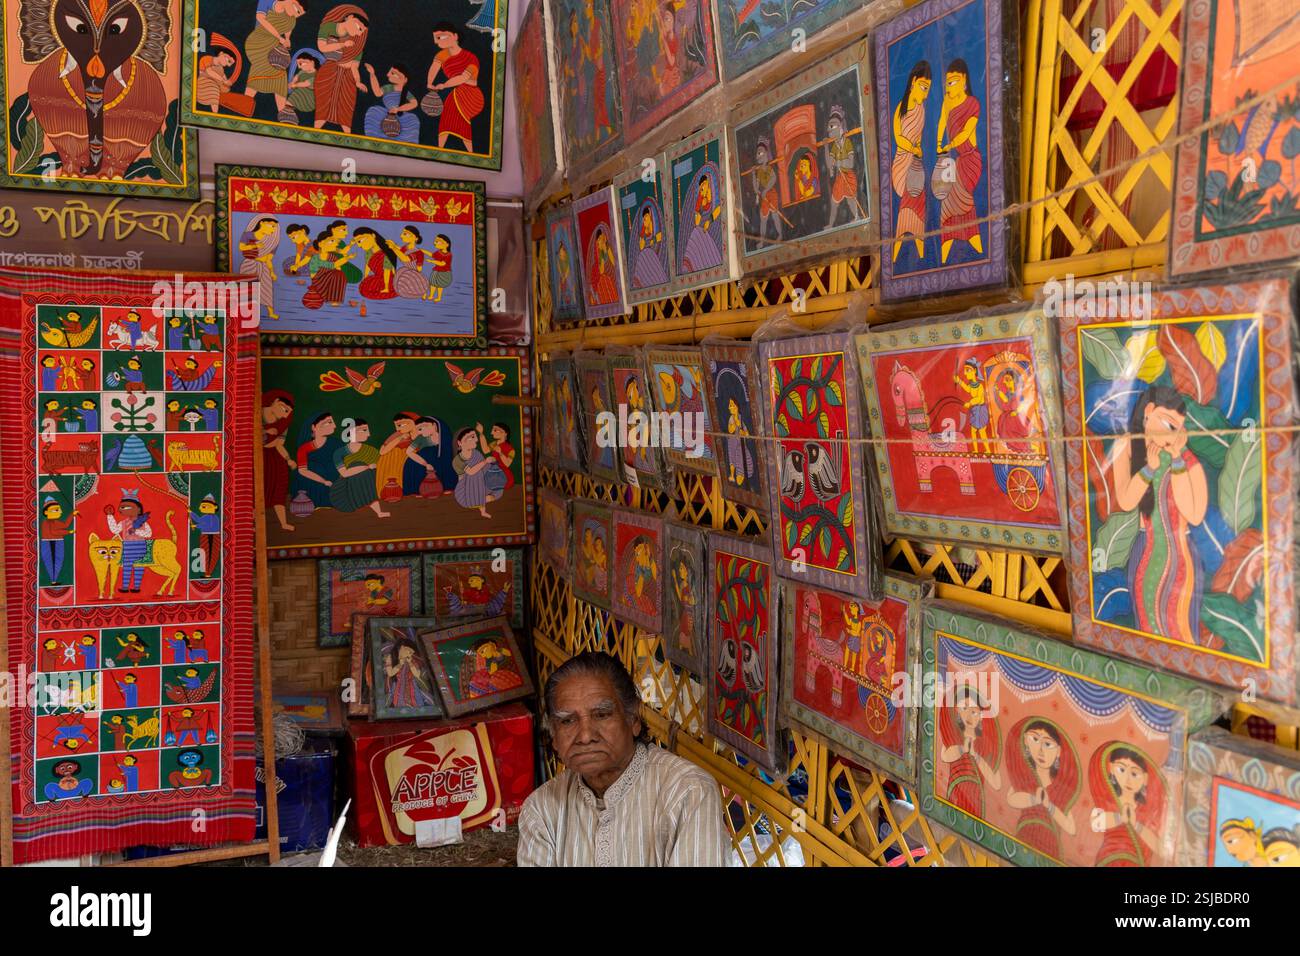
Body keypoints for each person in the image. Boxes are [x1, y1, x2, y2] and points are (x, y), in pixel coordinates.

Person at [517, 651, 728, 866]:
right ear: (554, 736)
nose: (585, 736)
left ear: (634, 718)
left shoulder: (687, 792)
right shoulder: (541, 809)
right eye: (568, 721)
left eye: (601, 715)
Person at [1113, 385, 1208, 645]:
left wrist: (1177, 460)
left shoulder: (1187, 460)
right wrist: (1149, 470)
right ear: (1149, 412)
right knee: (1148, 628)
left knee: (1182, 631)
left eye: (1178, 429)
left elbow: (1195, 515)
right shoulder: (1127, 447)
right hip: (1146, 554)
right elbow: (1126, 501)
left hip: (1182, 558)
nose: (1171, 436)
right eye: (1168, 425)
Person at [892, 61, 931, 263]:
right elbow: (898, 138)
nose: (925, 94)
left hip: (915, 163)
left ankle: (922, 255)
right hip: (901, 163)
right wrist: (912, 148)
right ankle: (897, 252)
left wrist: (919, 151)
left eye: (928, 90)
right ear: (914, 81)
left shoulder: (922, 109)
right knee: (905, 211)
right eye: (923, 87)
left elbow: (919, 138)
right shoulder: (902, 107)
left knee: (918, 206)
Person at [426, 22, 484, 150]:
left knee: (450, 108)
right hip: (457, 91)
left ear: (455, 36)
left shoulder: (471, 58)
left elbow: (463, 78)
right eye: (435, 38)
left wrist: (444, 85)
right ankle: (442, 149)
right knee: (449, 112)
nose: (436, 42)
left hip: (472, 94)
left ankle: (465, 152)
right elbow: (433, 69)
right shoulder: (442, 55)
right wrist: (429, 83)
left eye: (440, 37)